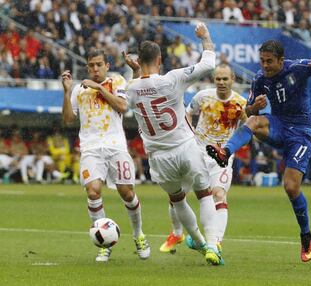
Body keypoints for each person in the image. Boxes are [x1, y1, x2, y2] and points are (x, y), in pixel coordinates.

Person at [206, 40, 311, 262]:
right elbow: (247, 111)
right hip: (278, 125)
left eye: (270, 61)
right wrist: (253, 107)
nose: (265, 66)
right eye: (262, 61)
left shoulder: (298, 68)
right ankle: (225, 152)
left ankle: (305, 235)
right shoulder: (260, 79)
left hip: (301, 133)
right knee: (255, 121)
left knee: (290, 186)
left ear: (281, 60)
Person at [125, 23, 223, 266]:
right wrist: (206, 37)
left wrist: (135, 73)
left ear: (138, 60)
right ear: (159, 59)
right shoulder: (173, 78)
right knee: (204, 194)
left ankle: (198, 241)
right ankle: (212, 245)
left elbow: (134, 94)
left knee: (178, 200)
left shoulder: (132, 88)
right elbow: (209, 64)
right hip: (185, 147)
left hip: (158, 156)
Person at [61, 49, 150, 262]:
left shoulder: (117, 81)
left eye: (99, 64)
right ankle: (104, 244)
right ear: (87, 67)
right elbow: (67, 119)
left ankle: (138, 235)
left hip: (116, 147)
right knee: (93, 192)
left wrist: (99, 88)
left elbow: (122, 106)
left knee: (127, 193)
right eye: (91, 65)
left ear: (107, 66)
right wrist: (66, 91)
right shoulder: (78, 91)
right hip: (90, 148)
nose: (95, 69)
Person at [158, 63, 247, 254]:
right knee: (176, 195)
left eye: (225, 78)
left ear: (233, 79)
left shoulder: (241, 103)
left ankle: (216, 242)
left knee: (219, 195)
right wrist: (189, 134)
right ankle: (177, 233)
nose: (221, 82)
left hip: (222, 158)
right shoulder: (203, 97)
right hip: (196, 153)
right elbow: (188, 113)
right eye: (218, 78)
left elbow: (248, 128)